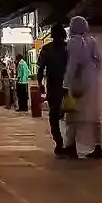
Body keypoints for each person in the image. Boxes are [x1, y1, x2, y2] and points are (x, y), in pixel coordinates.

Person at [62, 16, 102, 160]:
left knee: (73, 115)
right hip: (94, 84)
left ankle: (70, 147)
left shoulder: (74, 42)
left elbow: (72, 65)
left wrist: (65, 84)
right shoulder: (92, 41)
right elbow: (99, 62)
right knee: (95, 117)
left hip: (79, 83)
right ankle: (98, 147)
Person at [35, 23, 70, 154]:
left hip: (54, 86)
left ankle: (59, 142)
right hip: (67, 86)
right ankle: (68, 142)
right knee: (70, 114)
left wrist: (39, 84)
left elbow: (40, 69)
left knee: (54, 116)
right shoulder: (68, 48)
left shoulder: (46, 49)